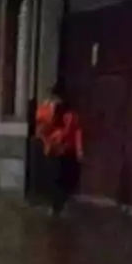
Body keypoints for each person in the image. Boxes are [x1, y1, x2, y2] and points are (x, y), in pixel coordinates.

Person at [36, 86, 84, 216]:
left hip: (67, 151)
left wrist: (79, 150)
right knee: (55, 179)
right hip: (54, 151)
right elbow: (41, 128)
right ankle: (55, 206)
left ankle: (60, 205)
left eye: (56, 99)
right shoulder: (49, 111)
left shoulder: (70, 115)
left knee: (64, 179)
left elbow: (76, 131)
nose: (54, 101)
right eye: (53, 99)